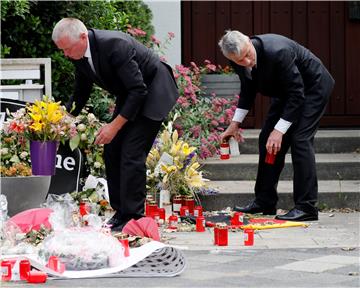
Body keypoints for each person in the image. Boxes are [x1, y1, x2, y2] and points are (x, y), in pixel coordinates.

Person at [52, 18, 179, 230]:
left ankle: (134, 217)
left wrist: (113, 126)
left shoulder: (114, 45)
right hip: (131, 93)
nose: (65, 54)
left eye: (67, 48)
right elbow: (81, 91)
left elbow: (139, 90)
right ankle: (120, 212)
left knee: (131, 151)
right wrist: (64, 120)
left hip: (154, 90)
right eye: (62, 50)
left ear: (83, 37)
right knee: (111, 148)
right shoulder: (78, 52)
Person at [218, 30, 334, 221]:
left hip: (313, 88)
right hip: (285, 92)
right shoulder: (235, 57)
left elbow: (298, 94)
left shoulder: (277, 51)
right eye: (240, 61)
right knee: (266, 139)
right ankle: (265, 201)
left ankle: (307, 207)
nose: (247, 62)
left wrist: (279, 131)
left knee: (300, 140)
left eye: (248, 55)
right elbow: (248, 88)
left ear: (249, 41)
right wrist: (234, 124)